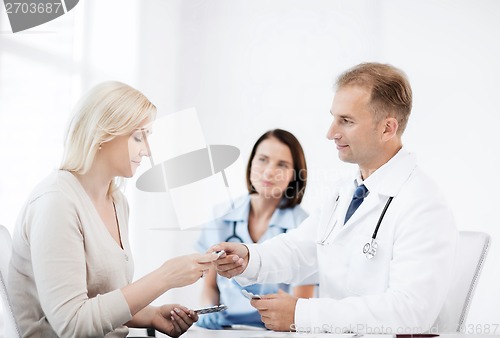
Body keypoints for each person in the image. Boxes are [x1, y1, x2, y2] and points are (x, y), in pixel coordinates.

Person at [210, 62, 458, 333]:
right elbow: (300, 249)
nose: (331, 133)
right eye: (334, 118)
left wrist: (302, 314)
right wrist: (248, 258)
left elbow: (411, 311)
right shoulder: (345, 192)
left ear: (388, 128)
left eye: (346, 121)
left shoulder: (423, 203)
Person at [8, 81, 218, 338]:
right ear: (102, 134)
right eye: (139, 136)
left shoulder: (117, 200)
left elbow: (104, 301)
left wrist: (152, 315)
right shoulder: (56, 202)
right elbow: (73, 324)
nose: (147, 150)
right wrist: (165, 276)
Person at [195, 129, 315, 330]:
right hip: (224, 328)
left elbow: (300, 302)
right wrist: (208, 308)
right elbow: (209, 286)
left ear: (294, 175)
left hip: (277, 331)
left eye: (282, 165)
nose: (269, 171)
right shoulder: (221, 216)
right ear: (251, 163)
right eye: (263, 159)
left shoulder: (305, 225)